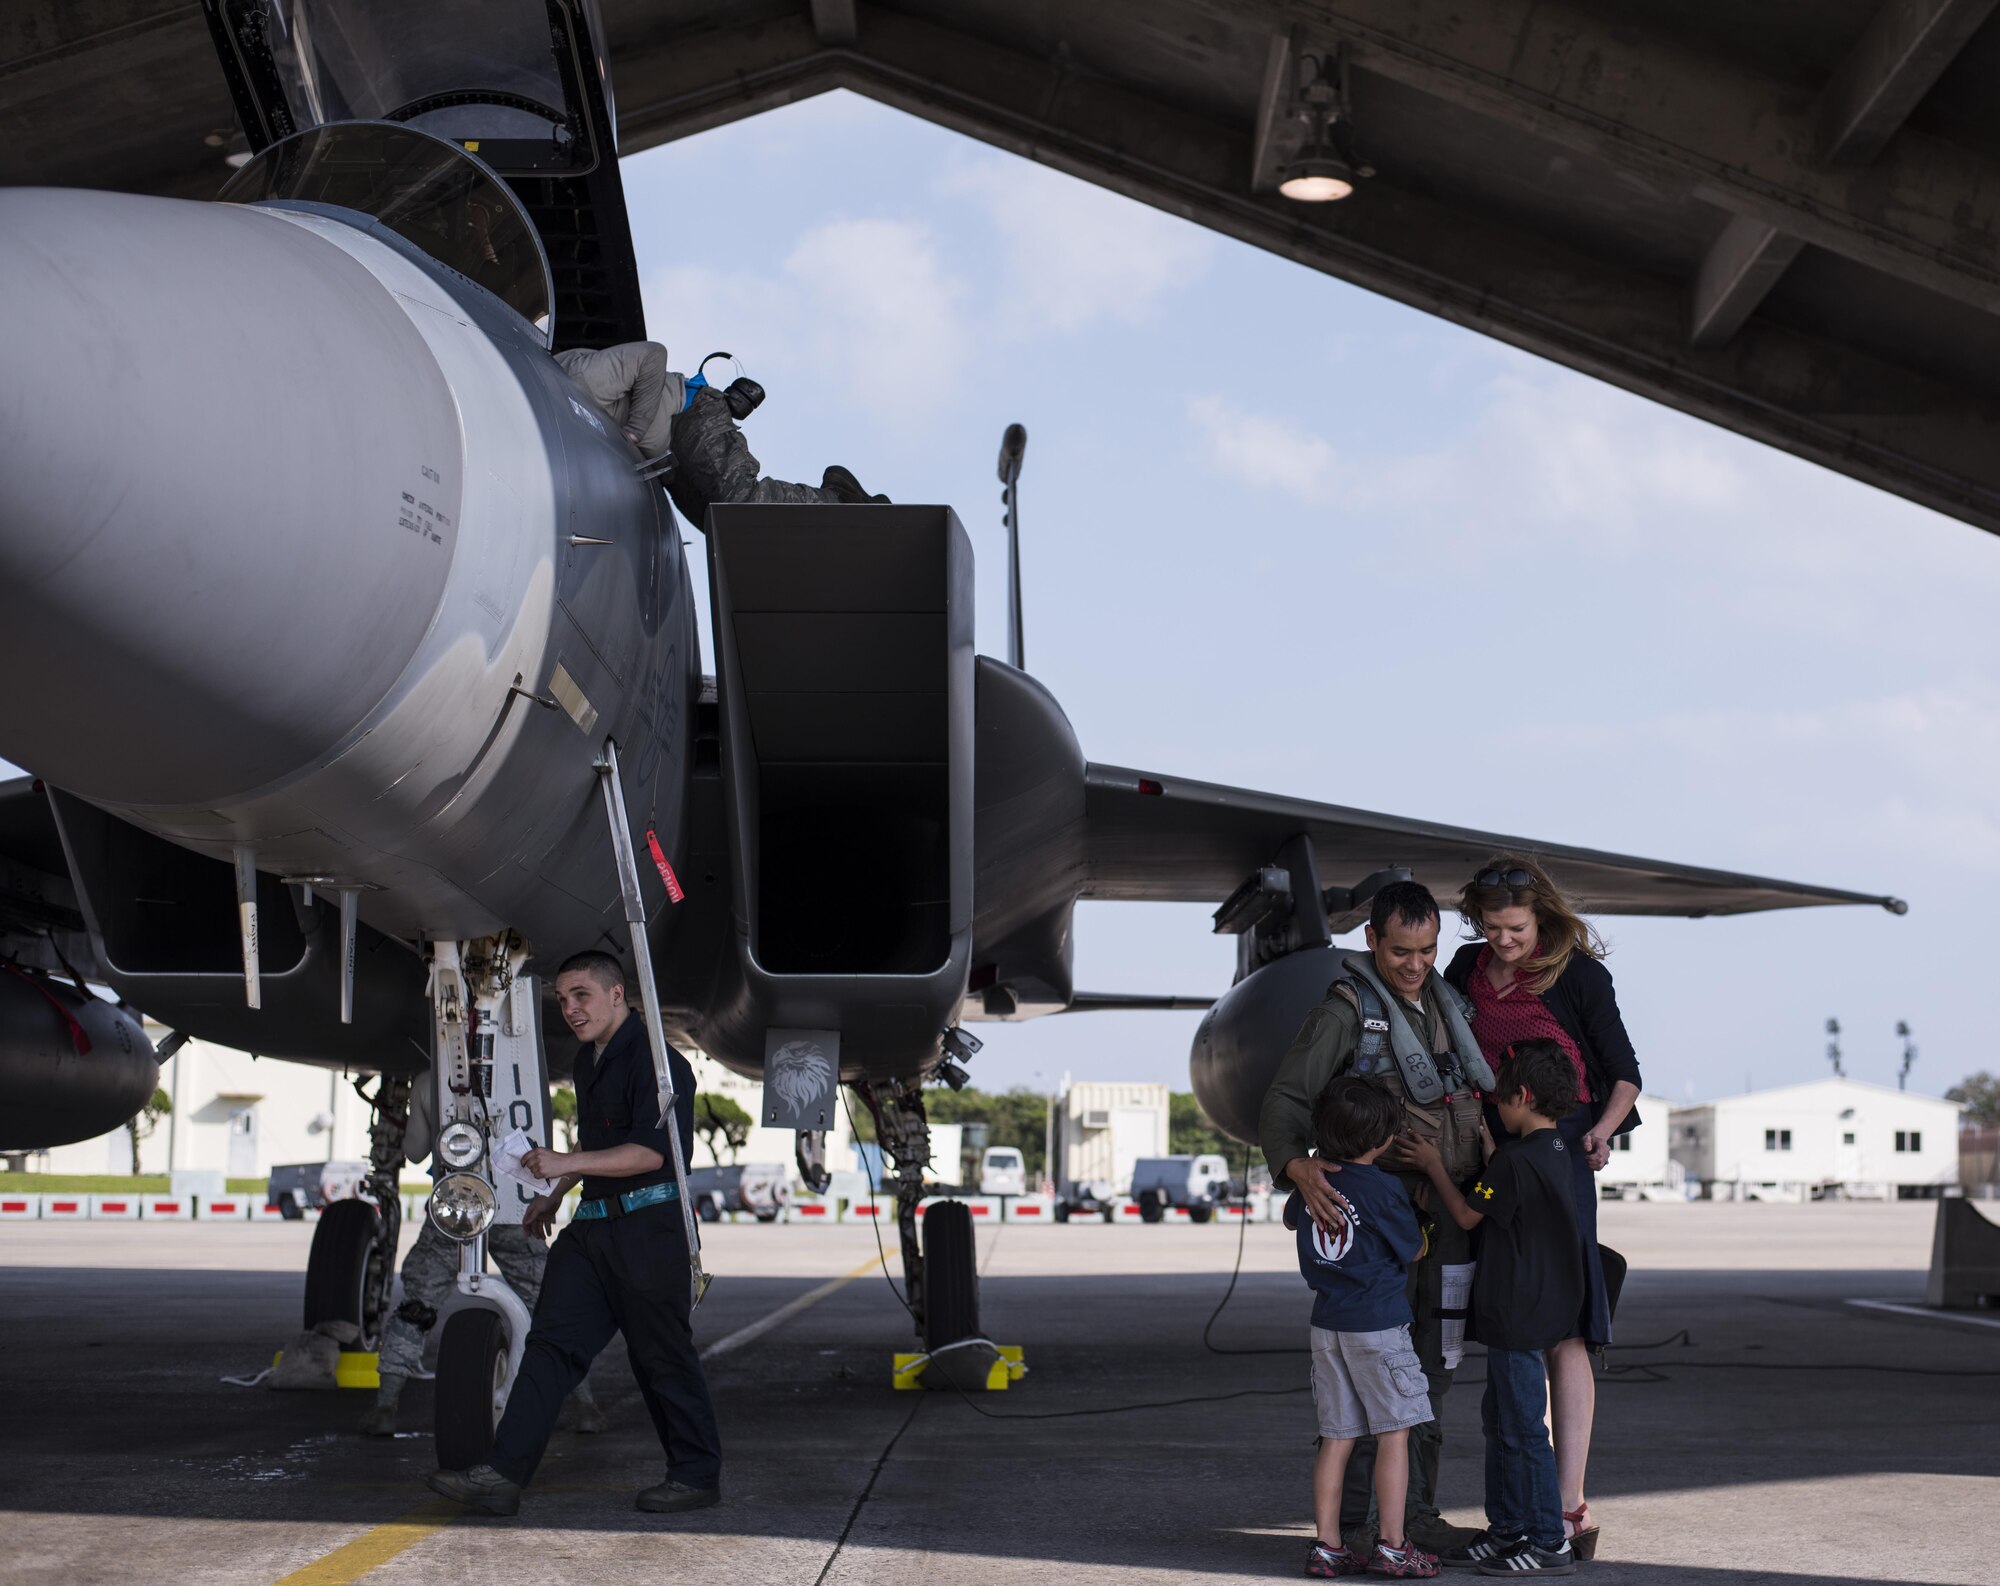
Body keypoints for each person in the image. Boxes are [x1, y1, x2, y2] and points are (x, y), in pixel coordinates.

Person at [427, 951, 721, 1517]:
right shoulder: (591, 1061)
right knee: (549, 1348)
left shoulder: (661, 1064)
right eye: (562, 999)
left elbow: (649, 1152)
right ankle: (502, 1474)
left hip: (649, 1232)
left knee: (660, 1357)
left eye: (581, 995)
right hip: (592, 1233)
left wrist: (560, 1165)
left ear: (617, 994)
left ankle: (695, 1475)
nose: (569, 1008)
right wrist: (553, 1194)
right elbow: (594, 1145)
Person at [1259, 881, 1497, 1555]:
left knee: (1431, 1372)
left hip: (1442, 1219)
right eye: (1400, 952)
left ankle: (1411, 1518)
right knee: (1380, 1380)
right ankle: (1367, 1528)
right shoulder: (1348, 1012)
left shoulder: (1445, 1007)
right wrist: (1297, 1168)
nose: (1415, 965)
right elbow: (1285, 1101)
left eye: (1426, 950)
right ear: (1371, 940)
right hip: (1383, 1230)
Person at [1444, 856, 1641, 1560]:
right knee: (1507, 1304)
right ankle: (1511, 1514)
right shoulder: (1465, 968)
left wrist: (1599, 1131)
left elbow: (1625, 1074)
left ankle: (1565, 1506)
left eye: (1516, 928)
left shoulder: (1579, 974)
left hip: (1557, 1154)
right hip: (1486, 1141)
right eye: (1492, 927)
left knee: (1564, 1324)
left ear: (1543, 918)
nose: (1503, 941)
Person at [1406, 1040, 1584, 1576]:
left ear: (1521, 1096)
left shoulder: (1511, 1162)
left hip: (1515, 1313)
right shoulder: (1555, 1154)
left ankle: (1548, 1542)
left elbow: (1463, 1215)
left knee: (1524, 1429)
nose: (1496, 1108)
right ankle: (1508, 1530)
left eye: (1500, 1099)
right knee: (1502, 1419)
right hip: (1544, 1307)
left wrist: (1434, 1164)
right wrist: (1492, 1152)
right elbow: (1509, 1186)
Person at [360, 1078, 604, 1437]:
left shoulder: (429, 1078)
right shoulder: (523, 1071)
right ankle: (586, 1406)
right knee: (546, 1305)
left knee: (417, 1306)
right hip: (516, 1207)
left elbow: (414, 1152)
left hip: (458, 1206)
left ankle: (386, 1407)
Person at [1286, 1077, 1440, 1580]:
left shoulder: (1311, 1181)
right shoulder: (1383, 1187)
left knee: (1337, 1436)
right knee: (1394, 1434)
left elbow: (1294, 1219)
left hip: (1327, 1326)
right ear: (1383, 1138)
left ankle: (1328, 1547)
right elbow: (1413, 1249)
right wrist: (1416, 1215)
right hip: (1378, 1327)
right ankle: (1394, 1546)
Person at [554, 341, 884, 526]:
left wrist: (635, 430)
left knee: (740, 501)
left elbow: (653, 354)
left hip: (688, 416)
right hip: (669, 463)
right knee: (722, 530)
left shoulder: (579, 377)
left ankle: (840, 499)